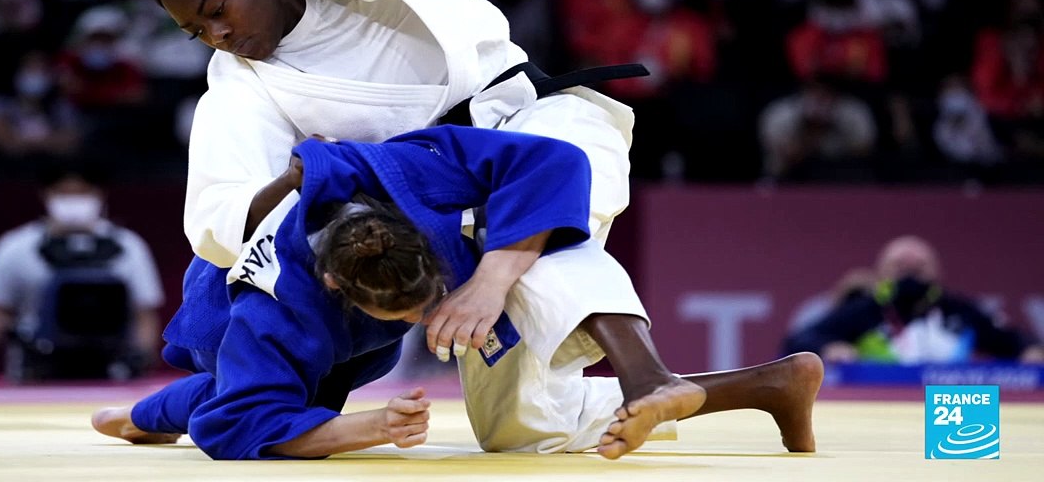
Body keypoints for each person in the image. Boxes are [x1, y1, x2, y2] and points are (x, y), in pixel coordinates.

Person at [142, 0, 715, 458]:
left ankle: (646, 376)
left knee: (561, 176)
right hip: (430, 205)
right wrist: (300, 178)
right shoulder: (239, 89)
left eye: (217, 10)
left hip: (530, 125)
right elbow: (220, 222)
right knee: (522, 429)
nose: (218, 36)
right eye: (196, 32)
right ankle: (747, 387)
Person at [92, 126, 822, 459]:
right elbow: (237, 426)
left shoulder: (411, 176)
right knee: (220, 398)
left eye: (428, 298)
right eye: (405, 317)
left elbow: (555, 162)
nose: (425, 321)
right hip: (264, 342)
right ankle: (140, 418)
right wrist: (370, 429)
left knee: (557, 244)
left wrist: (492, 275)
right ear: (336, 286)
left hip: (534, 145)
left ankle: (657, 376)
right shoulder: (275, 309)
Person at [0, 161, 165, 381]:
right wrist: (21, 339)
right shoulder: (15, 247)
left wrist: (139, 357)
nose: (74, 200)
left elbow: (145, 315)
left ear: (99, 194)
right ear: (46, 194)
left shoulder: (128, 246)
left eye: (83, 192)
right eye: (64, 193)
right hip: (35, 373)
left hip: (111, 370)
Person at [783, 235, 1044, 364]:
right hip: (875, 403)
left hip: (954, 403)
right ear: (881, 272)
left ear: (936, 272)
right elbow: (798, 342)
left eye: (919, 267)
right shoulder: (863, 309)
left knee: (969, 457)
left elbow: (1012, 339)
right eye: (899, 267)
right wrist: (828, 349)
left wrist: (1030, 350)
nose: (910, 274)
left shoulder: (959, 309)